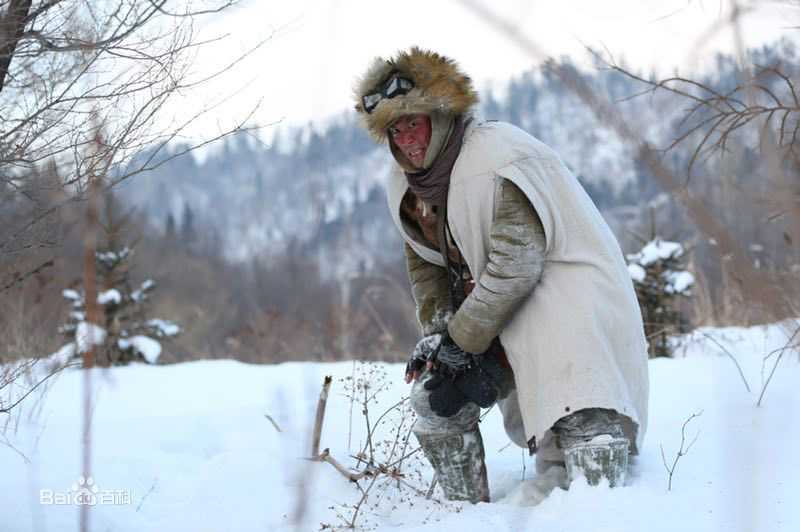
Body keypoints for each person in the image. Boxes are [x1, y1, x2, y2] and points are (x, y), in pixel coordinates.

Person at [353, 47, 649, 504]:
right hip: (497, 315)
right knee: (437, 402)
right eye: (394, 129)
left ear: (440, 115)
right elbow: (426, 262)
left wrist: (461, 341)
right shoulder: (410, 187)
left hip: (570, 306)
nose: (406, 138)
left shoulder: (499, 155)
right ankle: (464, 514)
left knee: (584, 414)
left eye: (413, 122)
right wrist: (439, 337)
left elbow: (518, 262)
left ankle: (604, 512)